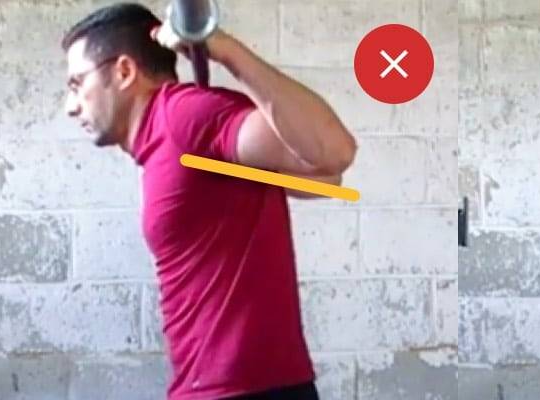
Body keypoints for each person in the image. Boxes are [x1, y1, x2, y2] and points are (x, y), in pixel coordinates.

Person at [60, 3, 358, 399]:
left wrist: (224, 48)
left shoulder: (183, 116)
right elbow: (324, 179)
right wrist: (252, 175)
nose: (71, 106)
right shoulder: (164, 140)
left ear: (124, 71)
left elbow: (334, 154)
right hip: (212, 388)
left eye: (77, 84)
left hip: (249, 391)